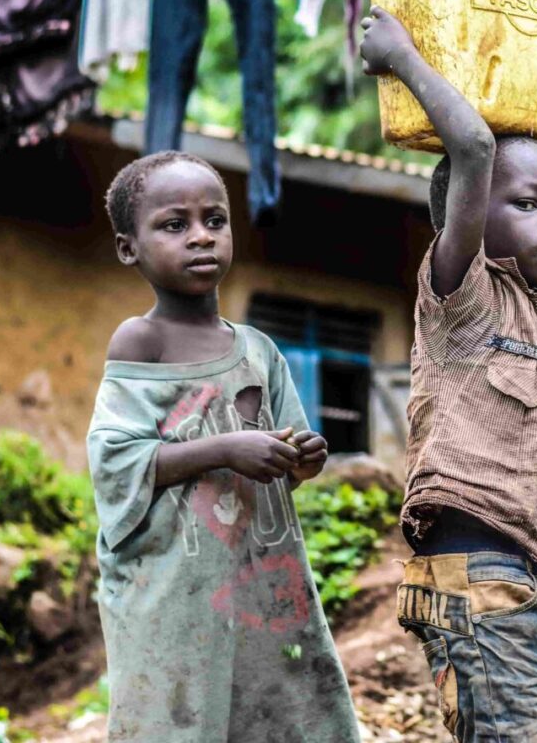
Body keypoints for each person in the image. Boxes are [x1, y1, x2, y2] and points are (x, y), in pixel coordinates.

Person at [358, 6, 537, 742]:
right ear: (468, 218)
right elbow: (474, 148)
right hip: (480, 582)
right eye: (527, 205)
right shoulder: (463, 297)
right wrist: (402, 57)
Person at [87, 151, 358, 741]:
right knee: (177, 716)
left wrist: (301, 458)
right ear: (128, 247)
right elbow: (116, 462)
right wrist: (225, 449)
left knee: (275, 709)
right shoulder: (141, 340)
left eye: (215, 220)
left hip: (258, 575)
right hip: (168, 588)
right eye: (174, 225)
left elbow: (286, 458)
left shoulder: (258, 350)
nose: (201, 238)